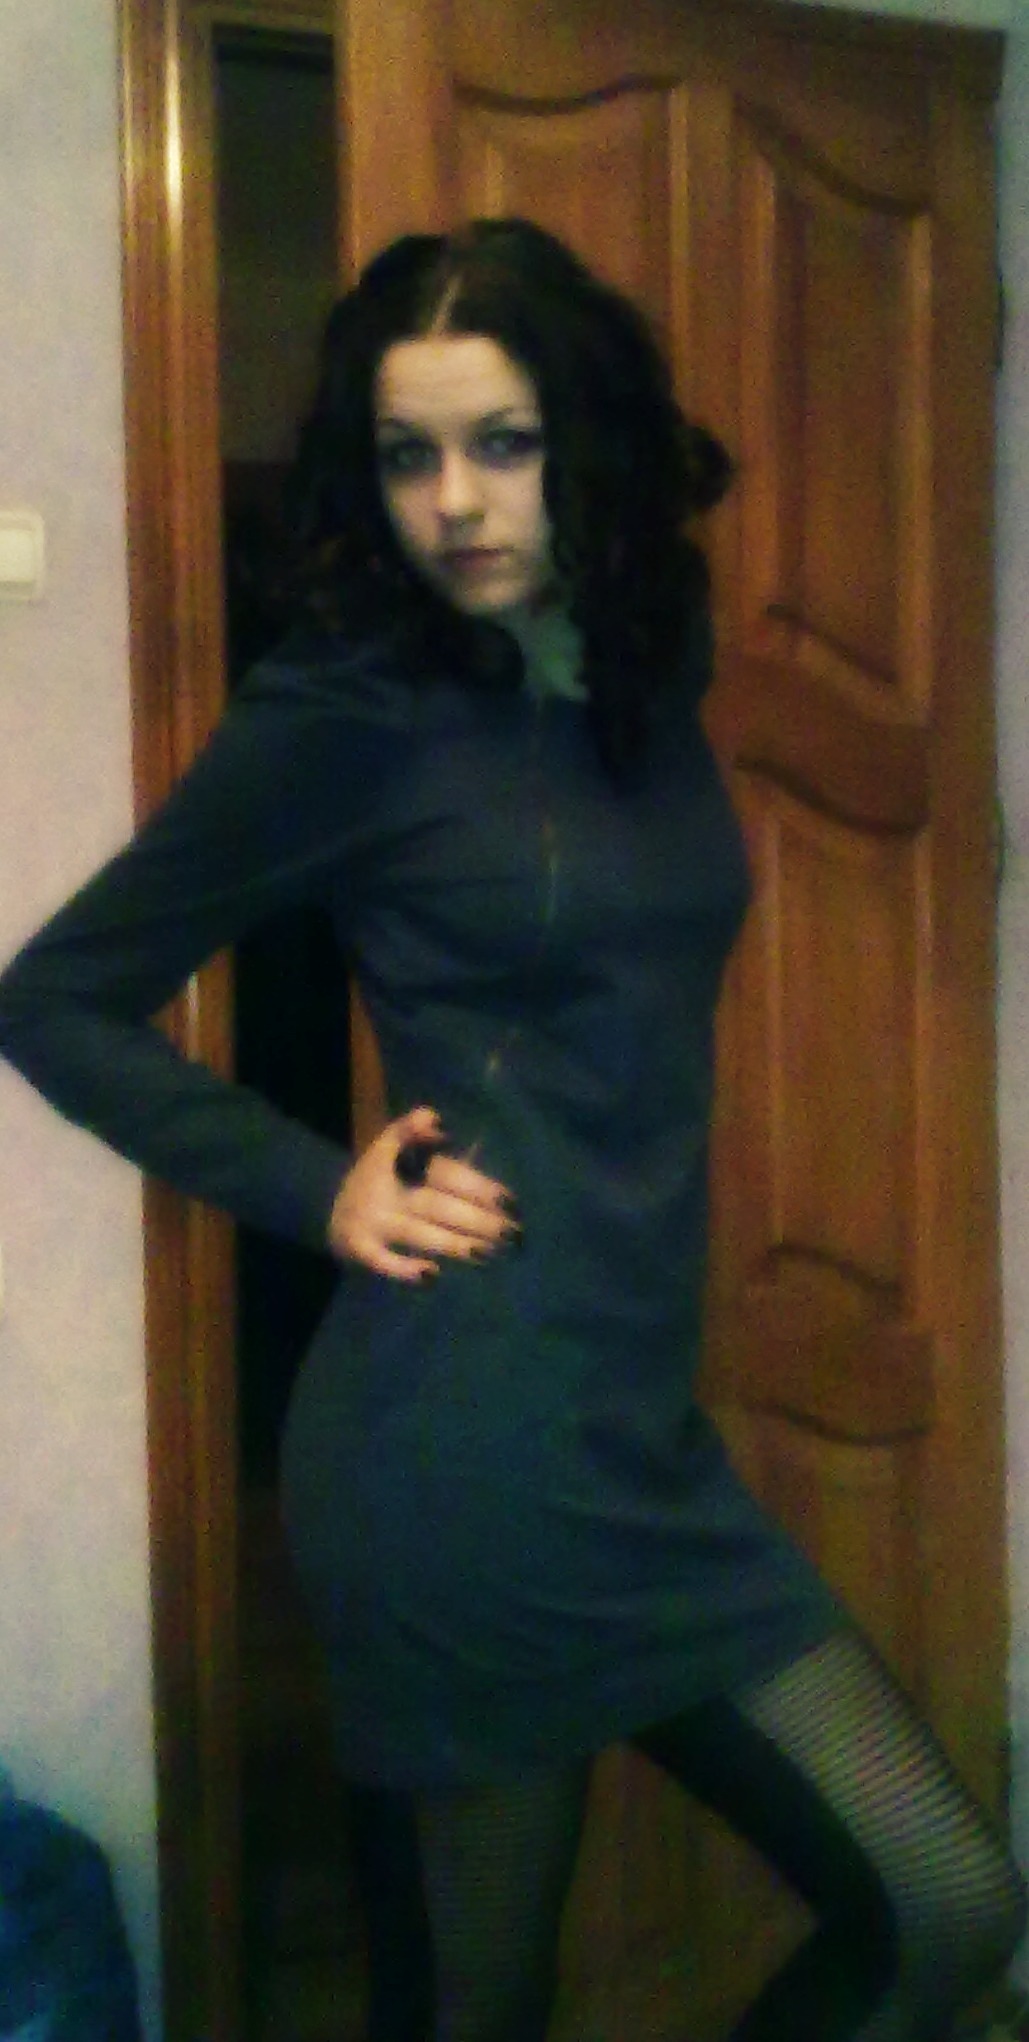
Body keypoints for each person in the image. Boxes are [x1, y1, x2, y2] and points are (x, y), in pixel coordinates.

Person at [0, 218, 1023, 2042]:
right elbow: (54, 996)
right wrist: (319, 1189)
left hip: (634, 1429)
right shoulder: (346, 708)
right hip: (455, 1446)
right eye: (409, 454)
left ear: (585, 441)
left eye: (504, 442)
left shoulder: (649, 663)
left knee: (945, 1901)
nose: (455, 501)